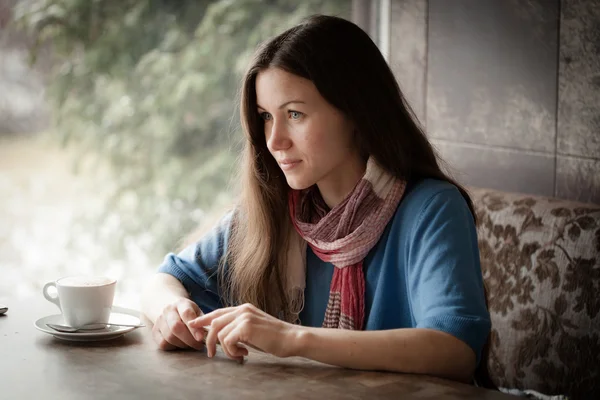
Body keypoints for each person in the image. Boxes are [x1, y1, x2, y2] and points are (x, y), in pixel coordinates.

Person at [141, 14, 491, 383]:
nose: (274, 141)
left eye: (294, 114)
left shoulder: (432, 209)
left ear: (356, 112)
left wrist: (290, 338)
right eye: (265, 117)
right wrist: (172, 310)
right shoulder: (274, 209)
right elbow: (165, 278)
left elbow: (455, 349)